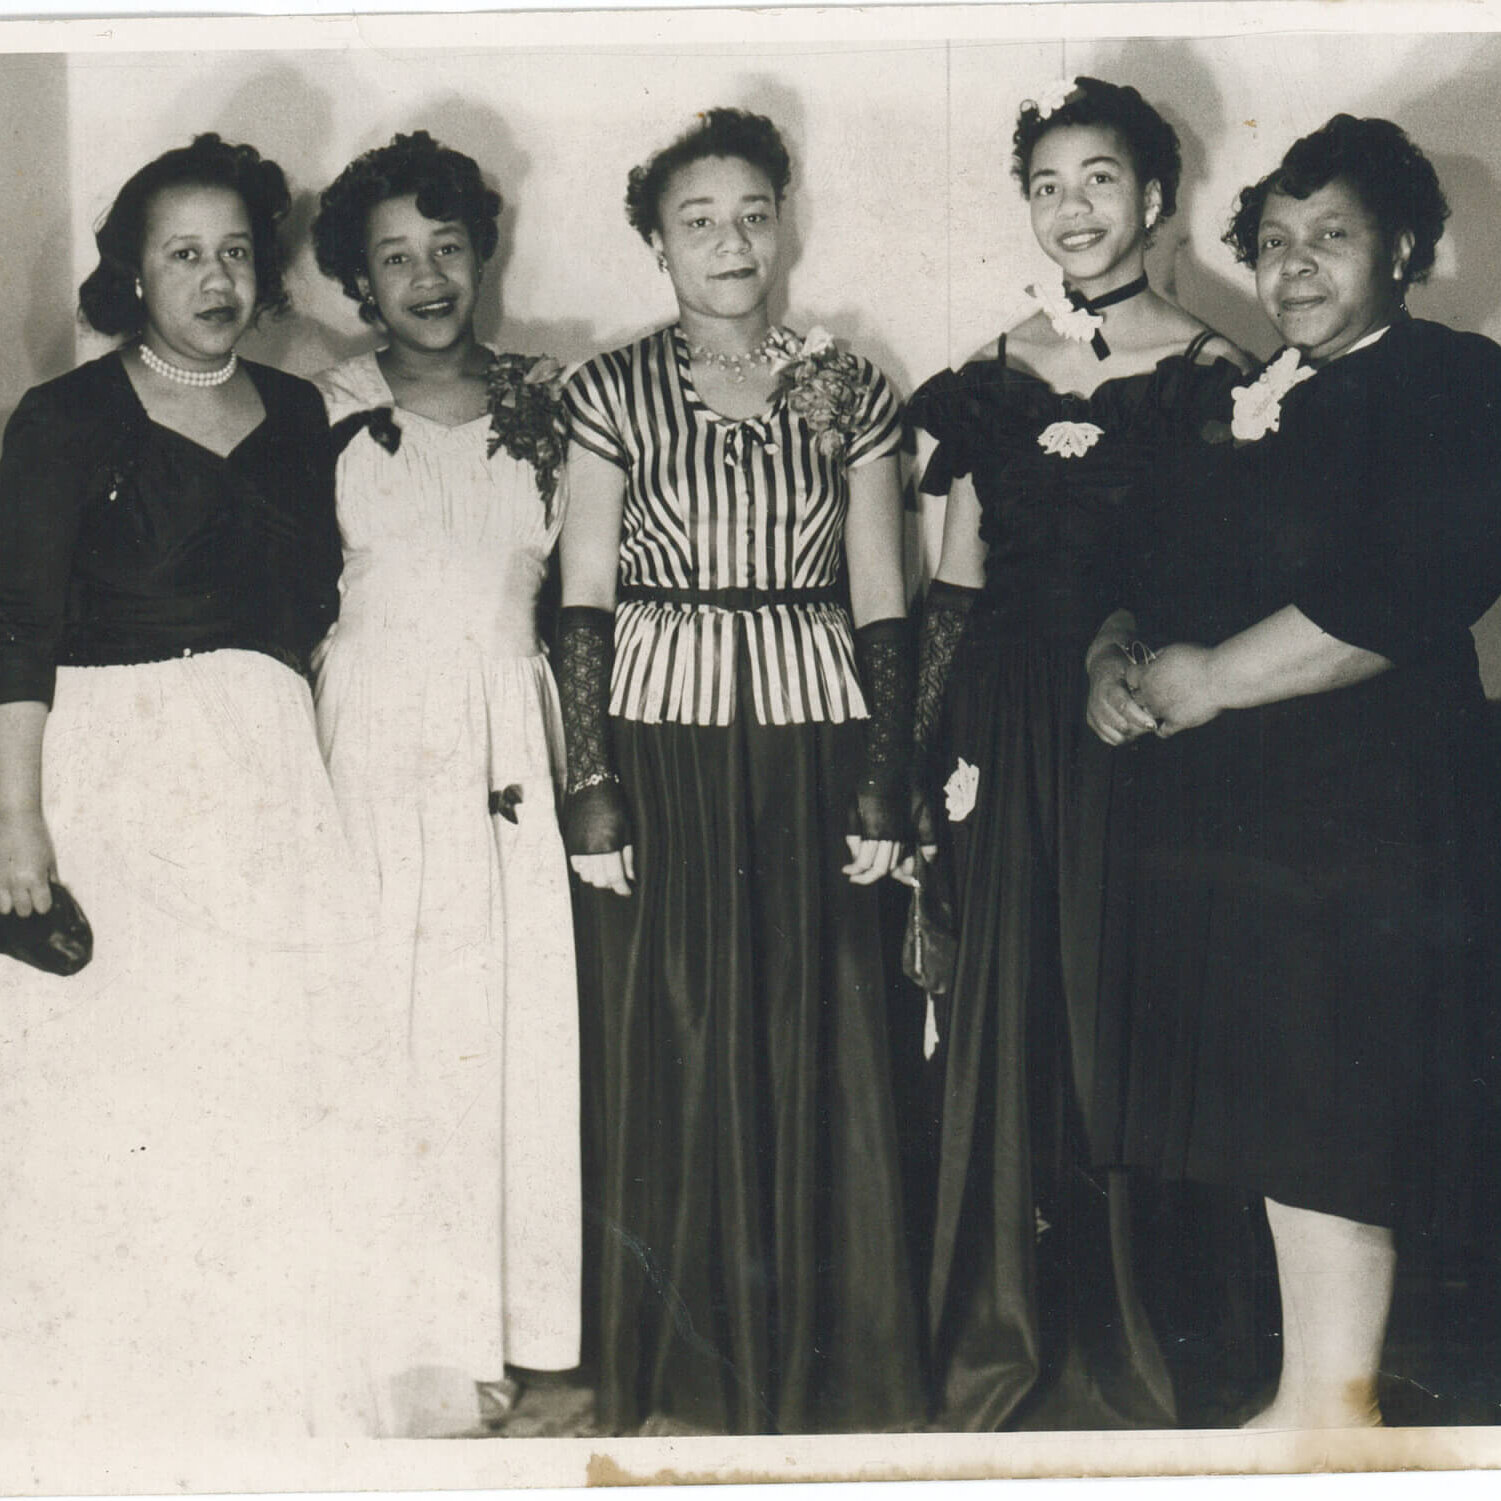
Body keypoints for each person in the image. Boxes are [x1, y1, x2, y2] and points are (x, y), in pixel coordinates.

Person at [1087, 113, 1501, 1428]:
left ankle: (1334, 1412)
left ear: (1404, 251)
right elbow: (1152, 567)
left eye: (1331, 237)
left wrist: (1206, 679)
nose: (1296, 267)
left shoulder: (1451, 381)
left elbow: (1405, 590)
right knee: (1287, 1103)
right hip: (1268, 816)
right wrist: (1115, 652)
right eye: (1273, 243)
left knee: (1335, 1108)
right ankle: (1312, 1402)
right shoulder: (1258, 394)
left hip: (1375, 806)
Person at [559, 107, 924, 1435]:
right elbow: (582, 598)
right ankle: (688, 1365)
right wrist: (590, 781)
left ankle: (828, 1363)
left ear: (789, 223)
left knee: (818, 1024)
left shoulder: (846, 385)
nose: (729, 240)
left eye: (753, 213)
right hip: (660, 743)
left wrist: (885, 776)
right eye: (696, 219)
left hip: (816, 736)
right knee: (675, 1027)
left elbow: (883, 596)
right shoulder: (603, 391)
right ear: (654, 241)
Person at [0, 134, 371, 1438]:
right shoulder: (62, 418)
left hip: (260, 769)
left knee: (258, 1062)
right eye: (181, 253)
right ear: (132, 276)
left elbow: (314, 604)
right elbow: (17, 628)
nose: (213, 277)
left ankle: (250, 1372)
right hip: (113, 761)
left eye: (233, 250)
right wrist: (17, 819)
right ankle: (122, 1378)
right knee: (121, 1079)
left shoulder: (301, 413)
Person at [904, 76, 1250, 1430]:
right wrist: (925, 770)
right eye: (1046, 185)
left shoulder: (1214, 371)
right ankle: (1000, 1333)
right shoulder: (988, 371)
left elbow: (1226, 576)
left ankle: (1132, 1348)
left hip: (1140, 725)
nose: (1072, 209)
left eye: (1098, 179)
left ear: (1154, 199)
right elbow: (953, 585)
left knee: (1123, 1013)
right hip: (1000, 718)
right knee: (1005, 1018)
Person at [309, 131, 582, 1438]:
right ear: (360, 280)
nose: (425, 277)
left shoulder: (556, 402)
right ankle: (399, 1324)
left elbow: (588, 596)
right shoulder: (319, 411)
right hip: (370, 740)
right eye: (393, 257)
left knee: (503, 1021)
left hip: (507, 749)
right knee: (390, 1026)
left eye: (446, 247)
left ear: (483, 251)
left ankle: (501, 1329)